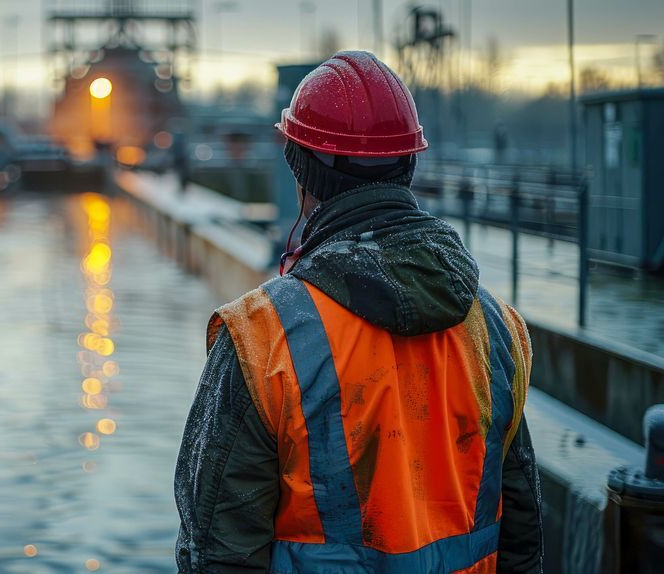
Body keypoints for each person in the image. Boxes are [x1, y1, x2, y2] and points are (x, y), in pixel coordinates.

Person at [174, 51, 542, 573]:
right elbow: (523, 538)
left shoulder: (263, 339)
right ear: (409, 165)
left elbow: (216, 550)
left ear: (299, 170)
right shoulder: (499, 334)